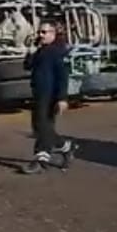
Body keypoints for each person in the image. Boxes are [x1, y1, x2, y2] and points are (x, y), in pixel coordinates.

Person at [21, 20, 73, 174]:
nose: (40, 35)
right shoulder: (41, 51)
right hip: (38, 92)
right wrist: (30, 51)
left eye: (44, 32)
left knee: (43, 125)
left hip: (51, 94)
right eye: (39, 32)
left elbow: (63, 76)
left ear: (53, 34)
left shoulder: (57, 51)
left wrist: (62, 98)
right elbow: (27, 66)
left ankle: (41, 159)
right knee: (40, 126)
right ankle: (66, 147)